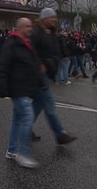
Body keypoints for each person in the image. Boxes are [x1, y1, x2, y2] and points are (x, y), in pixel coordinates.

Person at [0, 18, 41, 169]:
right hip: (18, 88)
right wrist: (2, 86)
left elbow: (32, 64)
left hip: (26, 87)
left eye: (31, 26)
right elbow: (3, 66)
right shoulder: (12, 44)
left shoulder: (27, 43)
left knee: (17, 119)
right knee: (27, 118)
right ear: (20, 27)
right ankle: (23, 153)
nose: (30, 28)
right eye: (28, 26)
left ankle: (12, 150)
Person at [31, 8, 77, 145]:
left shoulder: (51, 33)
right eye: (51, 17)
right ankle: (60, 134)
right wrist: (40, 64)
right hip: (40, 74)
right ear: (44, 18)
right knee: (49, 104)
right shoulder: (37, 32)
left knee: (39, 104)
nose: (54, 20)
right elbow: (30, 50)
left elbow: (54, 51)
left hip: (47, 73)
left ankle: (25, 127)